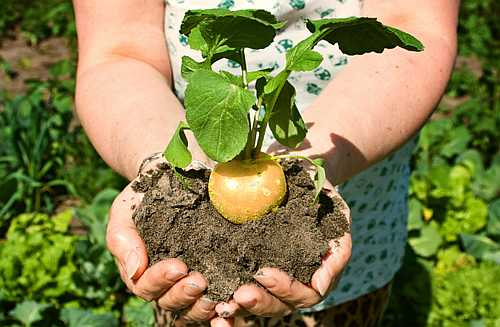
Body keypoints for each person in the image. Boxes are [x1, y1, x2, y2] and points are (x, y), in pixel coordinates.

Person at [72, 0, 459, 326]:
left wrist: (306, 169)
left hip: (355, 198)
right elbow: (119, 49)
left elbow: (414, 25)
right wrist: (163, 167)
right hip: (194, 185)